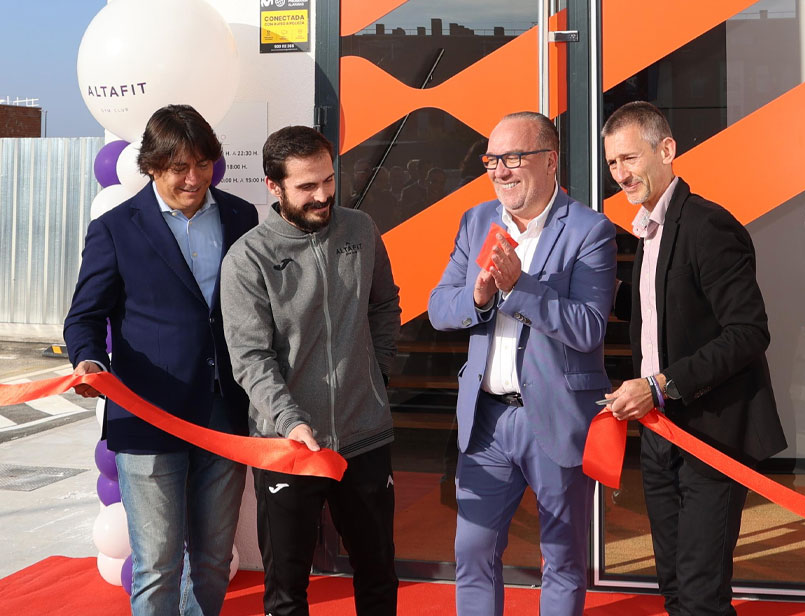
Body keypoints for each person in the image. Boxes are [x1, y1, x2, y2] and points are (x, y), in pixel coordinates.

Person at [63, 104, 260, 616]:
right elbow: (83, 317)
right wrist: (87, 362)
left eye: (202, 164)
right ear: (152, 166)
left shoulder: (242, 216)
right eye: (178, 168)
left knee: (215, 560)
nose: (193, 179)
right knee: (157, 565)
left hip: (225, 414)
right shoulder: (116, 229)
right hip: (148, 417)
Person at [428, 112, 617, 616]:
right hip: (487, 418)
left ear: (550, 160)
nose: (500, 170)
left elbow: (588, 327)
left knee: (561, 556)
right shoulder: (476, 221)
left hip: (555, 416)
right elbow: (439, 308)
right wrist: (481, 296)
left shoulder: (590, 230)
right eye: (493, 160)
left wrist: (519, 288)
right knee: (472, 551)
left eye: (513, 158)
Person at [600, 101, 784, 616]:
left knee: (702, 596)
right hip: (661, 434)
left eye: (630, 158)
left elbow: (749, 332)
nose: (621, 174)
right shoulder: (648, 230)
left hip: (712, 434)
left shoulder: (707, 226)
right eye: (613, 164)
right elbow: (654, 309)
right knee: (676, 586)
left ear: (667, 150)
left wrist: (659, 384)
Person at [220, 126, 401, 616]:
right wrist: (290, 421)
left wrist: (376, 374)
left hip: (364, 437)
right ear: (273, 188)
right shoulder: (247, 258)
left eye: (327, 180)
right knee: (286, 590)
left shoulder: (360, 230)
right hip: (288, 448)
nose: (322, 195)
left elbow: (385, 305)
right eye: (306, 187)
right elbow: (250, 358)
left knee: (379, 575)